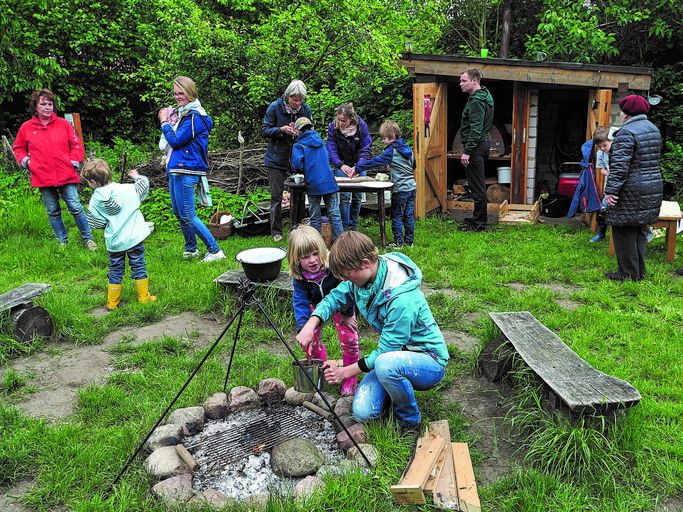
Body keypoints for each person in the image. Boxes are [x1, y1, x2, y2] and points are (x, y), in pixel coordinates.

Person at [295, 231, 449, 434]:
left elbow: (384, 352)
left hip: (428, 362)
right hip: (394, 358)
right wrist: (311, 323)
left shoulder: (402, 300)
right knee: (362, 413)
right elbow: (335, 298)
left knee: (385, 364)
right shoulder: (364, 278)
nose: (345, 280)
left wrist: (344, 372)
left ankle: (409, 420)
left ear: (365, 263)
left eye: (347, 275)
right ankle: (393, 390)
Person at [12, 88, 97, 250]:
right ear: (35, 107)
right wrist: (28, 162)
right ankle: (62, 242)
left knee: (76, 208)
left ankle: (88, 239)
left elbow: (76, 145)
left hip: (66, 174)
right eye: (43, 104)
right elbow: (18, 149)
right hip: (42, 176)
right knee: (53, 211)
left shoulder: (63, 124)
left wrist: (73, 161)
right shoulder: (26, 128)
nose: (47, 107)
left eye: (50, 104)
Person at [159, 76, 225, 263]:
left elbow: (177, 141)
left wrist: (164, 123)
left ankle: (214, 250)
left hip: (186, 169)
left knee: (188, 214)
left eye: (181, 93)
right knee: (178, 212)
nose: (177, 97)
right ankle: (191, 248)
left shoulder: (195, 117)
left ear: (190, 93)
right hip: (177, 169)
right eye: (175, 93)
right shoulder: (184, 114)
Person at [287, 225, 359, 395]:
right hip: (315, 309)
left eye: (314, 253)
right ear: (295, 259)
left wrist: (348, 314)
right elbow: (300, 303)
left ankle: (350, 375)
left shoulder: (333, 266)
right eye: (305, 257)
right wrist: (304, 327)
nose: (312, 260)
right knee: (311, 342)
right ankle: (323, 368)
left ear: (322, 249)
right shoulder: (300, 278)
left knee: (349, 338)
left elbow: (347, 289)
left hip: (341, 306)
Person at [81, 159, 155, 310]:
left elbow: (96, 223)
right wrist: (136, 176)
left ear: (93, 181)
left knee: (115, 269)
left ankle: (112, 302)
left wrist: (108, 224)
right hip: (134, 238)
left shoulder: (95, 200)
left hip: (115, 242)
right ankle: (144, 297)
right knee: (138, 265)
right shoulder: (127, 189)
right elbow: (143, 186)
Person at [604, 94, 663, 281]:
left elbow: (620, 166)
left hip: (631, 188)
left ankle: (627, 274)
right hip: (651, 185)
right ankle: (639, 272)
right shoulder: (652, 129)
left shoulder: (626, 133)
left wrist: (611, 190)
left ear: (626, 113)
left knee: (622, 230)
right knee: (638, 229)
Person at [262, 80, 312, 242]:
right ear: (287, 96)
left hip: (298, 159)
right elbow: (265, 130)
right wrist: (281, 130)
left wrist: (301, 133)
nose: (297, 103)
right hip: (277, 158)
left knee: (298, 194)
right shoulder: (275, 107)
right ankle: (276, 231)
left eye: (300, 100)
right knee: (276, 197)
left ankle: (297, 228)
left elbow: (311, 132)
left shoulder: (305, 110)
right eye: (294, 100)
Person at [356, 121, 416, 247]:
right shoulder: (407, 148)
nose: (383, 141)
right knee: (409, 215)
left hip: (400, 188)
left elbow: (374, 162)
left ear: (392, 135)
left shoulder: (391, 151)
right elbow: (413, 166)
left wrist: (357, 168)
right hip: (412, 186)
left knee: (397, 215)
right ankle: (409, 241)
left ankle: (398, 242)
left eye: (384, 138)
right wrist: (394, 166)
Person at [291, 117, 343, 241]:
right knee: (334, 214)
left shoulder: (298, 145)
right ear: (312, 127)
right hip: (329, 182)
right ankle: (341, 244)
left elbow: (297, 165)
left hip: (314, 183)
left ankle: (316, 245)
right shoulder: (320, 141)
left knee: (315, 216)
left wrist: (307, 169)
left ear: (298, 131)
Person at [326, 103, 373, 230]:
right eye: (339, 119)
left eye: (344, 120)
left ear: (351, 118)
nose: (340, 123)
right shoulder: (333, 127)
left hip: (359, 164)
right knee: (345, 196)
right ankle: (345, 227)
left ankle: (354, 226)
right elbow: (331, 149)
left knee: (357, 196)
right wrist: (340, 164)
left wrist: (359, 166)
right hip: (342, 164)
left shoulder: (361, 126)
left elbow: (366, 148)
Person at [458, 68, 494, 232]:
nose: (461, 84)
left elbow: (476, 129)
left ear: (475, 81)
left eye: (464, 81)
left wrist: (467, 151)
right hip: (481, 145)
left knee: (477, 186)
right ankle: (477, 218)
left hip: (477, 146)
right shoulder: (484, 96)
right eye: (461, 81)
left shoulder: (477, 102)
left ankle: (479, 222)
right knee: (477, 184)